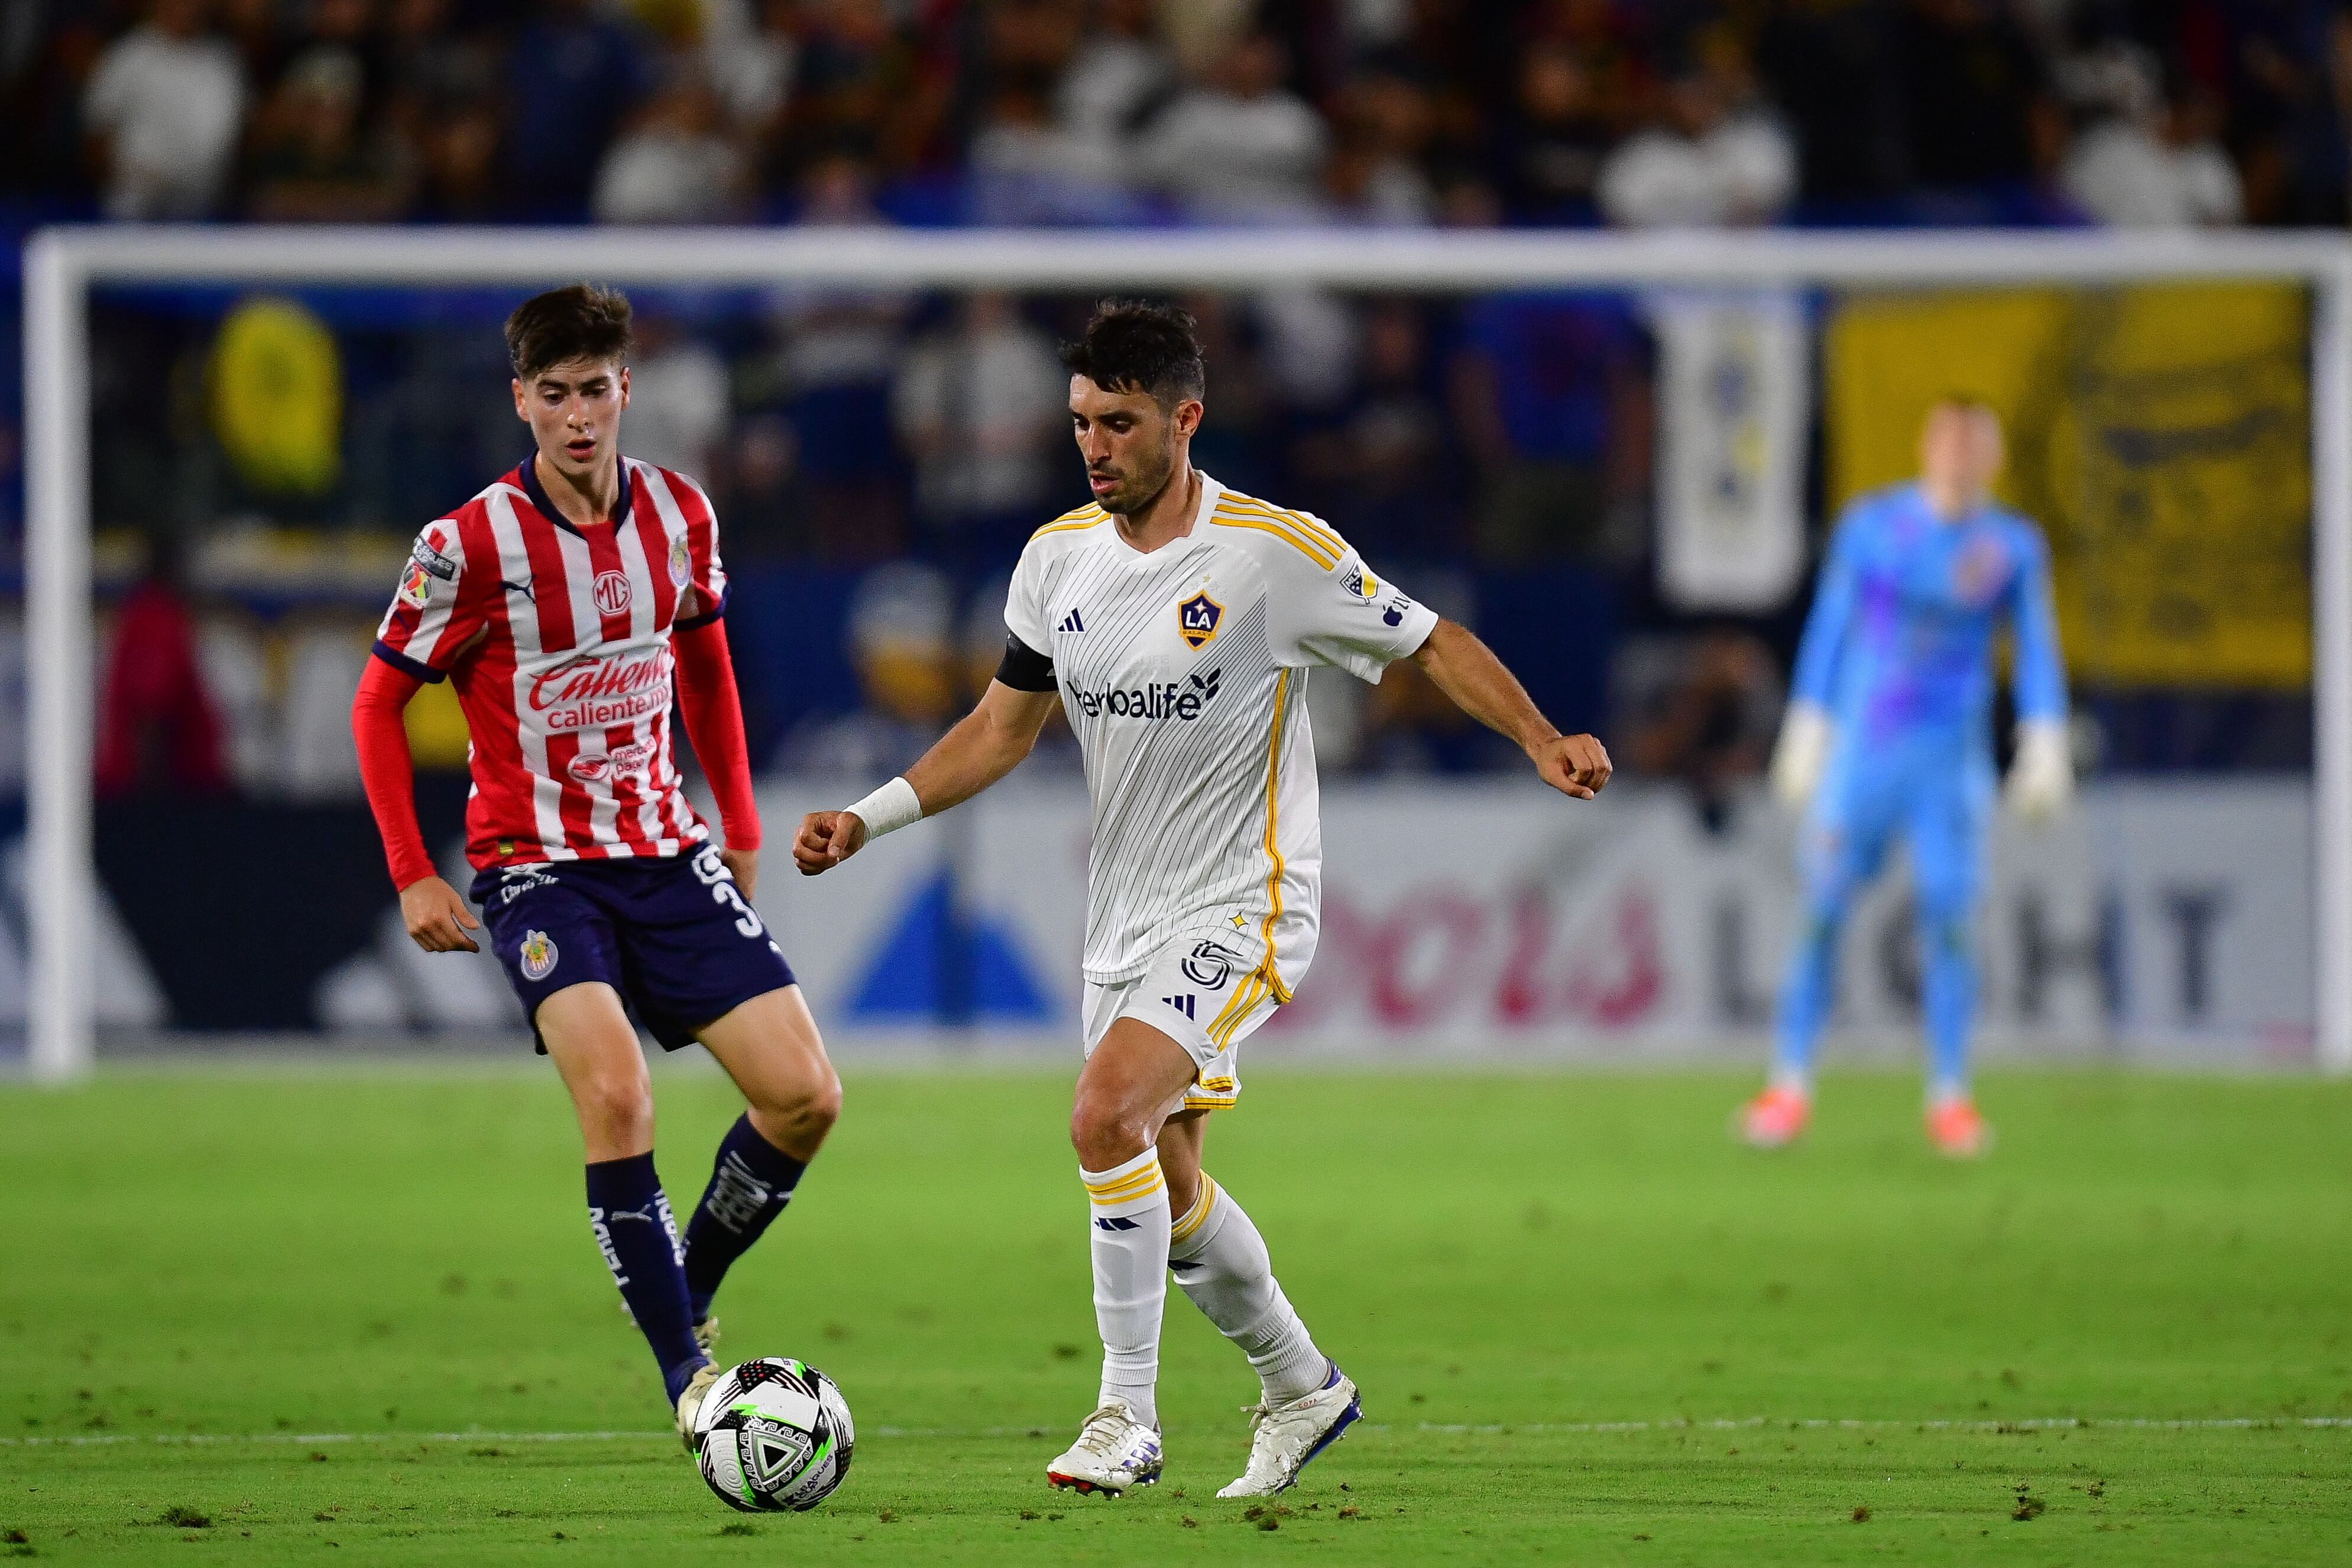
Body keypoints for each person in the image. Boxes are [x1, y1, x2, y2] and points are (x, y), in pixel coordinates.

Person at [793, 301, 1612, 1498]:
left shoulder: (1270, 553)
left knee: (1101, 1117)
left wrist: (1539, 736)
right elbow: (1000, 729)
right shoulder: (1055, 560)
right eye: (1081, 421)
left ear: (1186, 419)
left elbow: (1430, 642)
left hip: (1247, 901)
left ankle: (1126, 1415)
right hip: (1120, 918)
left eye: (1119, 423)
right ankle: (1303, 1387)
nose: (1095, 445)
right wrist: (870, 817)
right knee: (1167, 1187)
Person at [349, 284, 841, 1446]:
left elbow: (709, 671)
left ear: (628, 388)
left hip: (668, 855)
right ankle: (688, 1380)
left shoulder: (681, 514)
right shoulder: (466, 545)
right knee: (618, 1096)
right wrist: (414, 870)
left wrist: (744, 824)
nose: (578, 416)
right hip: (536, 871)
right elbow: (379, 704)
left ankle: (691, 1290)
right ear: (522, 402)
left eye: (596, 391)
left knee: (807, 1098)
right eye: (554, 395)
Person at [1741, 399, 2071, 1159]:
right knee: (1821, 911)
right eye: (1950, 441)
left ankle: (1950, 1096)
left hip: (1949, 765)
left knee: (1953, 923)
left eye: (1973, 445)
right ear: (1927, 446)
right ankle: (1788, 1085)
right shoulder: (1871, 528)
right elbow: (1831, 624)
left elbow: (2037, 643)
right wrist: (1808, 724)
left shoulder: (2010, 546)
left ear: (1991, 456)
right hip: (1863, 756)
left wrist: (2044, 735)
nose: (1959, 456)